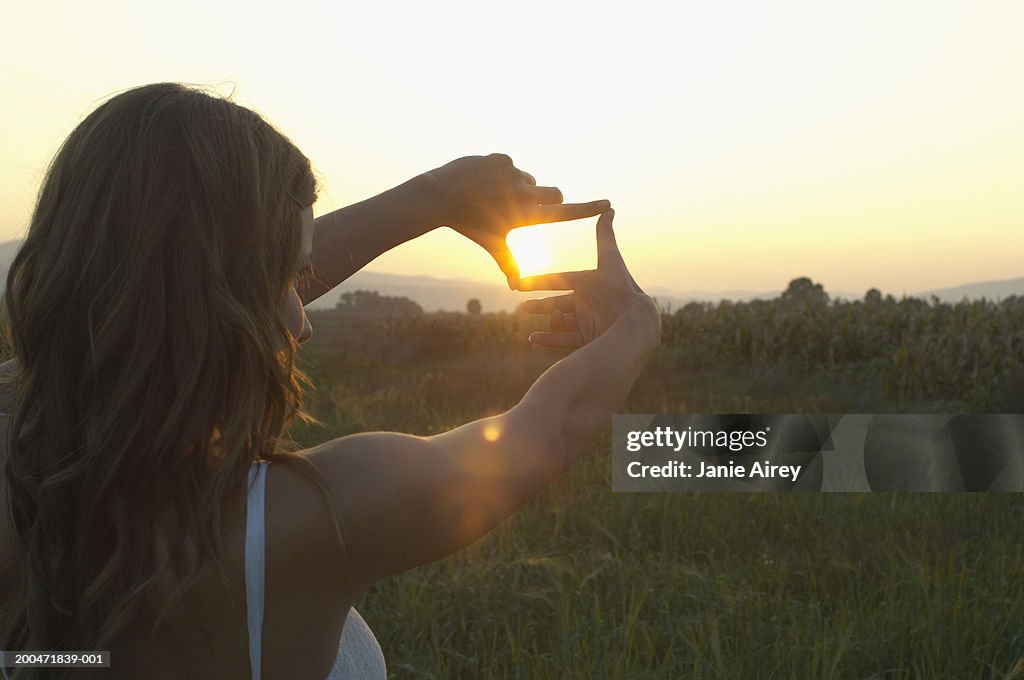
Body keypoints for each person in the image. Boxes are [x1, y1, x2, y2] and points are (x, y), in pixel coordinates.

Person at [0, 82, 661, 680]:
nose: (301, 320)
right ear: (213, 300)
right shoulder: (308, 517)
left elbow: (172, 281)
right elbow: (545, 431)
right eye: (282, 280)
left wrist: (437, 196)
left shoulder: (23, 461)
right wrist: (634, 324)